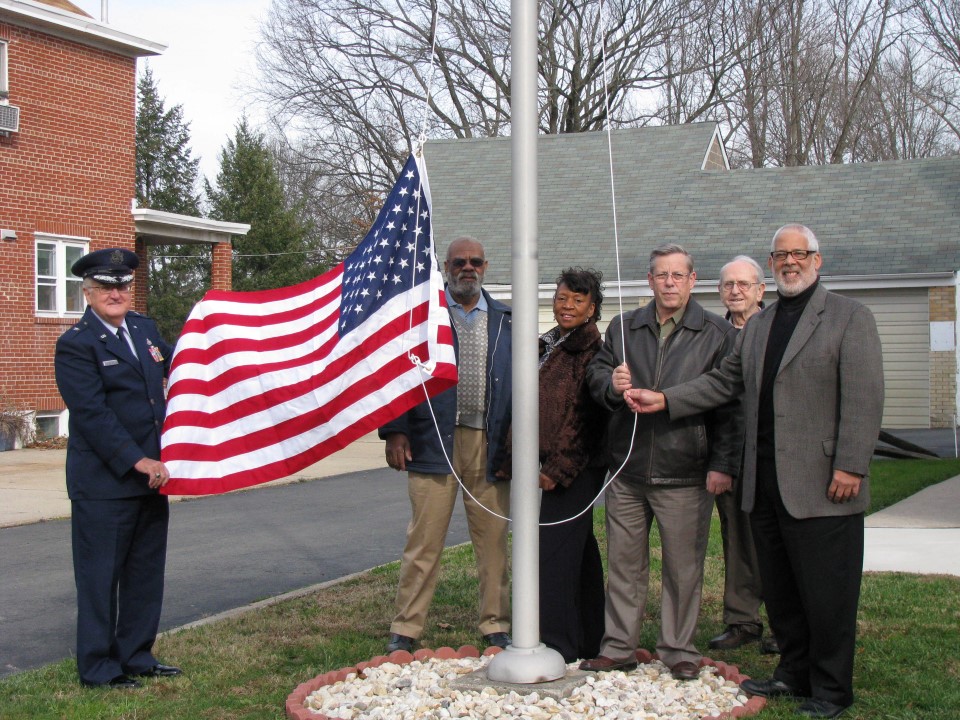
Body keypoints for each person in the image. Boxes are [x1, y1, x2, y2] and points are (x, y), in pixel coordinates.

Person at [630, 225, 884, 719]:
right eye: (781, 255)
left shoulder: (850, 317)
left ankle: (831, 690)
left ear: (817, 259)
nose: (790, 262)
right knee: (784, 590)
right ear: (772, 263)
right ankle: (793, 671)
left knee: (827, 593)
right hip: (763, 484)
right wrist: (665, 399)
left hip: (823, 483)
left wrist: (851, 464)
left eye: (799, 254)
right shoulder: (760, 327)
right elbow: (724, 381)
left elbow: (865, 396)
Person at [579, 244, 742, 681]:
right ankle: (618, 647)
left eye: (678, 275)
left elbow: (729, 405)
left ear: (692, 281)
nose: (669, 283)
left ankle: (678, 649)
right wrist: (611, 384)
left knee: (683, 567)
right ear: (649, 281)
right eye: (661, 275)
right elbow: (596, 374)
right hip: (627, 469)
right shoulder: (624, 327)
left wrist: (721, 463)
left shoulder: (717, 334)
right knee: (624, 564)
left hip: (686, 469)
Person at [54, 248, 180, 689]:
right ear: (88, 293)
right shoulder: (76, 344)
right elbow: (92, 415)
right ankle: (99, 666)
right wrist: (137, 459)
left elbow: (182, 366)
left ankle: (137, 655)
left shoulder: (144, 329)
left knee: (145, 574)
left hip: (152, 479)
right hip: (105, 482)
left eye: (122, 285)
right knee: (99, 578)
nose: (116, 293)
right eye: (106, 286)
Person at [380, 236, 512, 653]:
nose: (467, 268)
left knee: (493, 543)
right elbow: (396, 372)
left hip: (490, 446)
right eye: (459, 262)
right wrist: (396, 430)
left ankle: (496, 626)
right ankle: (406, 631)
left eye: (475, 262)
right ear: (446, 266)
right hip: (432, 440)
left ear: (486, 267)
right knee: (424, 542)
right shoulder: (423, 318)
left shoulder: (509, 321)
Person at [498, 267, 607, 663]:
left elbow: (586, 418)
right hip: (542, 462)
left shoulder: (592, 351)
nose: (568, 305)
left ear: (592, 308)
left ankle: (558, 643)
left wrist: (558, 470)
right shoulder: (547, 344)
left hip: (573, 469)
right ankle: (591, 639)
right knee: (579, 552)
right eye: (563, 297)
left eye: (578, 300)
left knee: (554, 555)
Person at [709, 255, 779, 655]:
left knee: (777, 542)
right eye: (728, 285)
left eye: (743, 284)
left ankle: (786, 624)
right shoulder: (715, 335)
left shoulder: (776, 330)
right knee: (737, 542)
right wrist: (721, 463)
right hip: (729, 458)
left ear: (760, 290)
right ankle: (742, 620)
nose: (735, 291)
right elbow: (720, 407)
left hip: (772, 457)